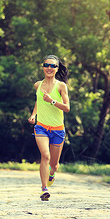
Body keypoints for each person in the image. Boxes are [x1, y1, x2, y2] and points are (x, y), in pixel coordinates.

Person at [28, 55, 70, 201]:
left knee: (54, 164)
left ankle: (51, 173)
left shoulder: (61, 86)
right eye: (46, 65)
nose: (49, 68)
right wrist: (34, 115)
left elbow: (67, 108)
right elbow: (38, 102)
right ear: (43, 66)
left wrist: (52, 101)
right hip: (41, 127)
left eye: (53, 66)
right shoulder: (37, 85)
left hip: (58, 129)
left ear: (57, 69)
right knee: (45, 156)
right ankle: (43, 189)